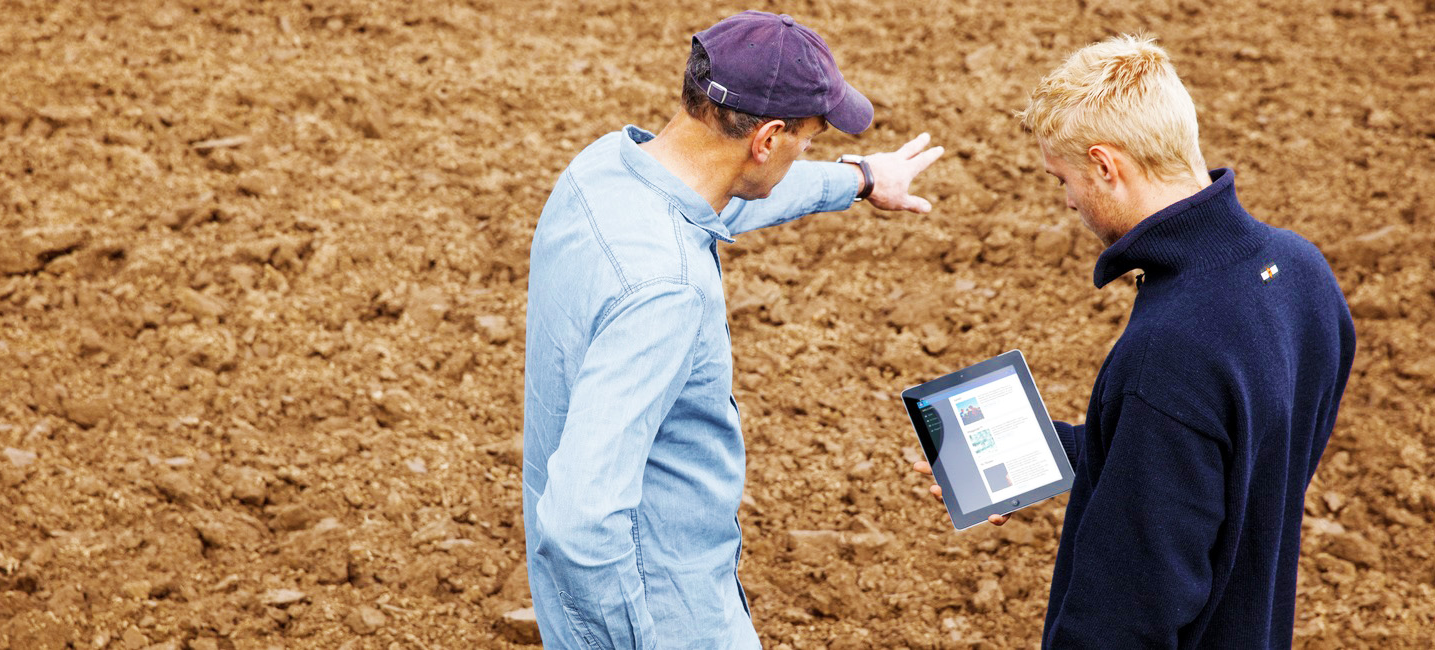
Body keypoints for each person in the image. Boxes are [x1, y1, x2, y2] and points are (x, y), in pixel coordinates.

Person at [915, 35, 1354, 647]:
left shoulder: (1172, 350)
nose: (1067, 199)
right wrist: (1062, 451)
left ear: (1104, 164)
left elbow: (1128, 610)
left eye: (1062, 178)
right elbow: (1226, 461)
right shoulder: (1302, 273)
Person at [523, 10, 943, 648]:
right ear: (767, 138)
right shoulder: (665, 291)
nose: (808, 149)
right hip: (664, 609)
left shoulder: (603, 170)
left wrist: (858, 179)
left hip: (581, 599)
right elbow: (580, 526)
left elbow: (717, 198)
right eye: (809, 138)